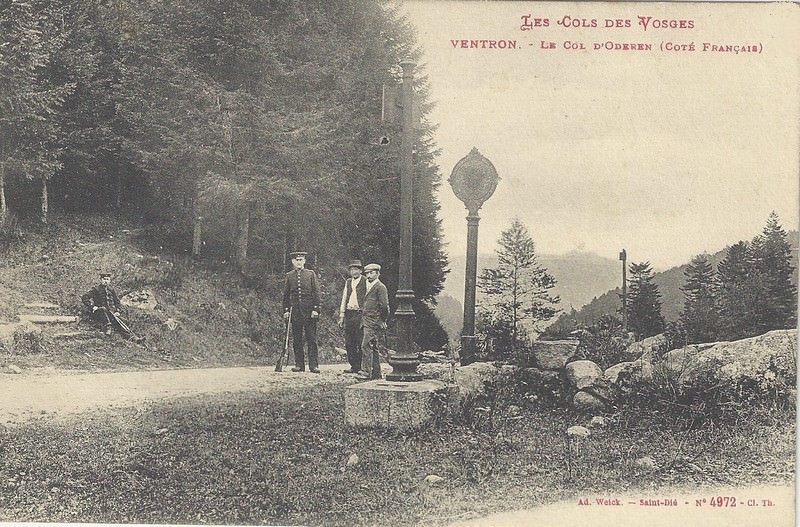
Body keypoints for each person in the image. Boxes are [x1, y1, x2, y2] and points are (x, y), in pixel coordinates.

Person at [282, 251, 322, 373]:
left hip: (309, 312)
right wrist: (286, 310)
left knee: (311, 339)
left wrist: (316, 309)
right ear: (293, 262)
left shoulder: (310, 274)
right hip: (295, 312)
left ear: (304, 261)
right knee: (297, 339)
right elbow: (286, 295)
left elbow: (316, 293)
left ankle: (313, 365)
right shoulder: (289, 276)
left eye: (301, 260)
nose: (299, 262)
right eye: (296, 260)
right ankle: (299, 364)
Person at [357, 263, 389, 380]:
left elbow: (384, 306)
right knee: (373, 346)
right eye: (367, 273)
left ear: (377, 273)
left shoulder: (380, 287)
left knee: (365, 345)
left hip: (373, 320)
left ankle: (366, 372)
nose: (369, 276)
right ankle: (376, 373)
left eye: (371, 273)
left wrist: (382, 319)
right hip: (366, 319)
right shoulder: (368, 286)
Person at [81, 272, 137, 340]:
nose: (106, 281)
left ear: (109, 280)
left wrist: (117, 311)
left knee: (120, 322)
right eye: (104, 279)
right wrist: (92, 307)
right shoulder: (96, 289)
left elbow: (117, 302)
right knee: (103, 309)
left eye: (107, 279)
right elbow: (84, 297)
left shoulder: (111, 290)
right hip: (99, 313)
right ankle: (108, 327)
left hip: (110, 313)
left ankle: (132, 338)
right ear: (101, 280)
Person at [338, 259, 366, 374]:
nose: (353, 272)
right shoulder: (348, 282)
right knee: (349, 341)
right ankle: (353, 365)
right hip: (349, 313)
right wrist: (342, 315)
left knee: (360, 340)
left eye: (356, 269)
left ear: (360, 271)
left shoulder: (365, 281)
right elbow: (344, 298)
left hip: (360, 314)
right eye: (352, 270)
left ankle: (360, 366)